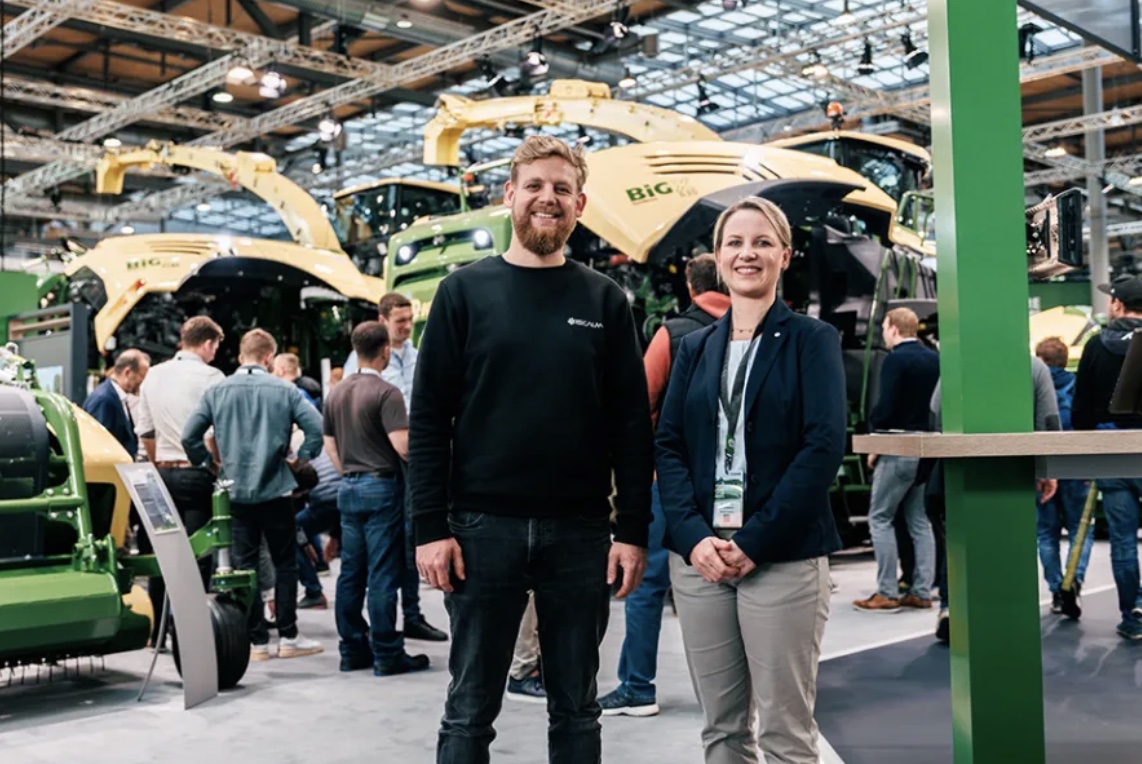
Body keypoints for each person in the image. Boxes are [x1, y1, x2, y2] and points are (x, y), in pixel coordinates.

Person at [410, 135, 654, 764]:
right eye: (536, 186)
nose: (549, 199)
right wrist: (429, 528)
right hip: (480, 531)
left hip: (580, 533)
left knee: (577, 709)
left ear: (580, 205)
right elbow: (429, 419)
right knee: (469, 711)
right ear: (510, 195)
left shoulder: (604, 300)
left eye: (562, 189)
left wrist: (631, 530)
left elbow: (631, 425)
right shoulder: (463, 292)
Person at [655, 196, 845, 764]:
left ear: (784, 255)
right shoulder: (694, 348)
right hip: (701, 561)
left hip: (781, 557)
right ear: (718, 257)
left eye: (762, 242)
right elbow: (668, 445)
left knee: (786, 735)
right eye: (735, 243)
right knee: (722, 731)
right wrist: (692, 537)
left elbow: (822, 447)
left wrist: (755, 540)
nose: (747, 253)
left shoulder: (812, 340)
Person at [599, 253, 730, 718]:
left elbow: (638, 406)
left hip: (666, 481)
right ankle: (727, 695)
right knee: (726, 583)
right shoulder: (754, 331)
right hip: (730, 486)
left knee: (646, 585)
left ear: (690, 288)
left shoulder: (672, 334)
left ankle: (638, 687)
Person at [182, 328, 325, 661]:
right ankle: (288, 636)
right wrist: (300, 459)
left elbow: (190, 436)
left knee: (244, 565)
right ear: (269, 357)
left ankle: (257, 640)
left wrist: (209, 464)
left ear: (240, 355)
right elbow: (316, 427)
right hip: (276, 490)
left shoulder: (217, 391)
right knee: (285, 563)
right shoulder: (285, 390)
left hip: (235, 492)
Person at [323, 320, 430, 675]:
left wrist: (349, 472)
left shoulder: (336, 393)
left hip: (349, 487)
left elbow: (329, 445)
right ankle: (387, 652)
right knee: (383, 572)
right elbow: (403, 446)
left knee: (351, 572)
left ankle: (352, 649)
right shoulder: (387, 392)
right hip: (382, 486)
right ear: (385, 350)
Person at [346, 292, 446, 642]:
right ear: (382, 320)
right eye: (400, 321)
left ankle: (412, 616)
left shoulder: (418, 355)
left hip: (416, 454)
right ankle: (383, 636)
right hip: (385, 459)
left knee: (411, 538)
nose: (406, 327)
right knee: (383, 555)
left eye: (409, 320)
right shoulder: (361, 362)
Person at [134, 317, 224, 645]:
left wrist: (160, 463)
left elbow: (145, 431)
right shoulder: (212, 377)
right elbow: (213, 433)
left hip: (161, 475)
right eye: (216, 347)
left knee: (165, 554)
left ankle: (157, 634)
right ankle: (191, 633)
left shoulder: (154, 375)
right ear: (208, 343)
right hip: (196, 473)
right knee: (199, 554)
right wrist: (215, 466)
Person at [853, 307, 940, 613]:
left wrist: (875, 439)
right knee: (920, 521)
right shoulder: (934, 359)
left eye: (884, 328)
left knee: (880, 518)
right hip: (927, 449)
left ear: (893, 329)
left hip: (897, 447)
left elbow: (886, 407)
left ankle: (887, 592)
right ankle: (922, 591)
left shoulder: (896, 360)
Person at [1073, 273, 1142, 640]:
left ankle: (1134, 614)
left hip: (1112, 451)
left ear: (1117, 305)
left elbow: (1081, 410)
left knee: (1123, 540)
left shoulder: (1096, 345)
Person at [1035, 336, 1094, 618]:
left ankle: (1057, 591)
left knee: (1046, 534)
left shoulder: (1033, 387)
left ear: (1040, 360)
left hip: (1045, 467)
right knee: (1081, 530)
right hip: (1077, 466)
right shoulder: (1078, 385)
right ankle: (1074, 580)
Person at [83, 348, 150, 456]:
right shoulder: (103, 400)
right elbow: (99, 446)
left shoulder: (113, 397)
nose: (143, 382)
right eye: (142, 376)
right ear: (127, 372)